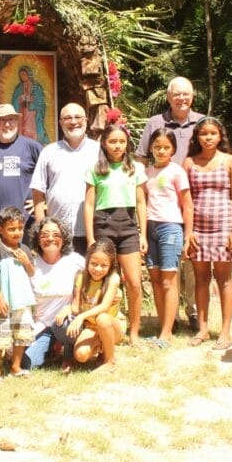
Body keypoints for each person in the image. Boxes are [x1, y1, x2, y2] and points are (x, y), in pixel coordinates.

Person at [135, 77, 205, 334]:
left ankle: (194, 311)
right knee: (167, 269)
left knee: (191, 261)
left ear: (193, 96)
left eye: (186, 94)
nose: (181, 99)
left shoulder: (201, 122)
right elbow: (141, 156)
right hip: (161, 200)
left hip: (193, 198)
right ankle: (170, 318)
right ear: (168, 96)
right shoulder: (156, 123)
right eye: (176, 94)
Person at [183, 118, 232, 352]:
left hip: (223, 228)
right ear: (197, 137)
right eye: (203, 134)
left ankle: (226, 331)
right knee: (200, 279)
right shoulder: (189, 162)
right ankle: (203, 328)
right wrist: (188, 233)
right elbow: (184, 199)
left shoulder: (229, 161)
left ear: (220, 136)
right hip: (198, 229)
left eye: (212, 133)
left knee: (224, 279)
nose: (207, 138)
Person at [85, 122, 147, 345]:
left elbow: (141, 203)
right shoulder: (95, 169)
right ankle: (101, 330)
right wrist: (91, 238)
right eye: (112, 141)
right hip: (104, 225)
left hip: (129, 226)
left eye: (121, 141)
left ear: (127, 143)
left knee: (133, 282)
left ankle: (134, 332)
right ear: (104, 143)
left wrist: (143, 234)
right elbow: (89, 205)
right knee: (103, 281)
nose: (117, 146)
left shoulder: (136, 168)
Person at [143, 128, 193, 349]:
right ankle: (165, 326)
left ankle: (167, 334)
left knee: (168, 280)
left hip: (170, 228)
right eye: (157, 147)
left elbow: (187, 205)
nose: (161, 151)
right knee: (155, 279)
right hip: (150, 228)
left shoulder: (177, 172)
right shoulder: (147, 172)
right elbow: (142, 204)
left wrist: (188, 234)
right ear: (151, 148)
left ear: (173, 149)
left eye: (166, 147)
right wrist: (143, 233)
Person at [30, 102, 100, 253]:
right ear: (61, 122)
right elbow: (38, 192)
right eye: (68, 118)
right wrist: (42, 229)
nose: (73, 122)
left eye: (77, 117)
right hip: (57, 234)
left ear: (86, 120)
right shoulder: (49, 152)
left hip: (93, 233)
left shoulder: (99, 151)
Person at [23, 217, 84, 371]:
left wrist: (72, 307)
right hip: (42, 326)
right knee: (27, 362)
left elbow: (94, 283)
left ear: (64, 238)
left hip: (68, 322)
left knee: (64, 326)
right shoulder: (32, 264)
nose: (50, 238)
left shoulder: (75, 261)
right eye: (45, 235)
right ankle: (52, 348)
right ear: (38, 238)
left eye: (56, 235)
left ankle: (69, 356)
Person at [0, 207, 37, 382]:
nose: (17, 232)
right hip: (4, 303)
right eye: (12, 229)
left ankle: (15, 366)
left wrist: (26, 261)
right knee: (0, 337)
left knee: (21, 337)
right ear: (1, 230)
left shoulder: (25, 249)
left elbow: (31, 273)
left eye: (20, 228)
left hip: (22, 302)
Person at [66, 240, 125, 372]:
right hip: (92, 327)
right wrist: (67, 309)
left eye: (103, 265)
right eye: (93, 264)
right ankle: (102, 345)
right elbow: (75, 307)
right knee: (81, 355)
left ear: (111, 265)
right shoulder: (81, 277)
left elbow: (104, 307)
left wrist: (81, 317)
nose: (98, 269)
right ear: (87, 261)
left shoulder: (113, 279)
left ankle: (109, 361)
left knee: (102, 318)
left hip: (112, 326)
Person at [12, 66, 49, 144]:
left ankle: (33, 144)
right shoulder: (18, 87)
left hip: (32, 113)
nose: (23, 77)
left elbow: (41, 101)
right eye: (21, 75)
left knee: (31, 129)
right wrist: (19, 99)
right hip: (21, 111)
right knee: (22, 129)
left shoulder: (36, 87)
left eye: (24, 74)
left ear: (29, 74)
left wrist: (32, 99)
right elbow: (14, 100)